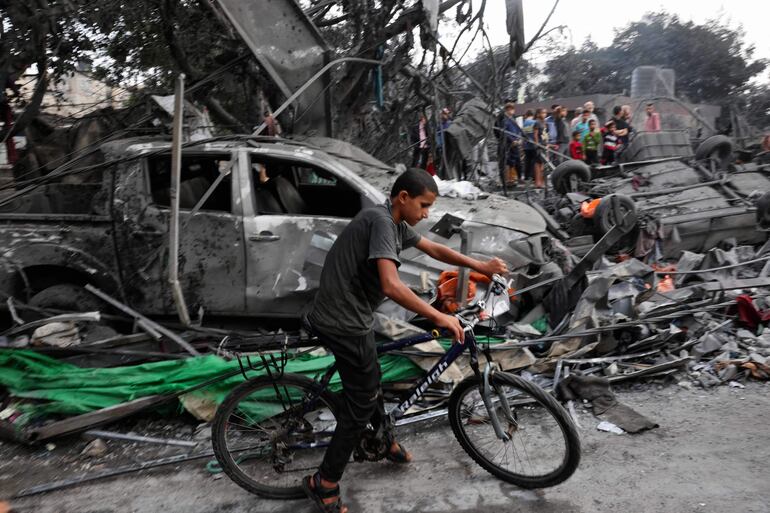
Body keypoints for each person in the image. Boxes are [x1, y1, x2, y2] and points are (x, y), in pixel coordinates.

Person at [303, 168, 508, 513]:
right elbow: (391, 285)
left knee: (371, 382)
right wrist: (440, 316)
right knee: (360, 403)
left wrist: (481, 266)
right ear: (403, 198)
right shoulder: (381, 223)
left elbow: (433, 249)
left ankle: (382, 439)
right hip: (343, 322)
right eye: (424, 205)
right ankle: (324, 483)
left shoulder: (391, 221)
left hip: (349, 316)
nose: (427, 213)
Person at [501, 102, 522, 185]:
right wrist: (512, 140)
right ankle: (509, 179)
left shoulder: (513, 119)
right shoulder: (504, 120)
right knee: (509, 161)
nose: (512, 111)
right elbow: (505, 132)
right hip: (509, 144)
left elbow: (518, 131)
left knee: (516, 161)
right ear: (507, 110)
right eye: (511, 109)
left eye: (513, 109)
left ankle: (515, 178)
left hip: (516, 142)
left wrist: (519, 139)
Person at [521, 110, 538, 184]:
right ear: (533, 115)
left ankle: (526, 176)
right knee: (534, 161)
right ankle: (534, 176)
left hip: (526, 145)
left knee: (527, 161)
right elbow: (535, 134)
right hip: (533, 145)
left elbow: (523, 134)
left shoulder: (524, 123)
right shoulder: (534, 122)